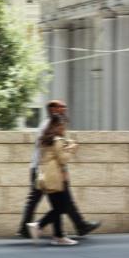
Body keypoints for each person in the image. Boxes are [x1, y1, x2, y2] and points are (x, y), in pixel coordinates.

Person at [18, 100, 100, 239]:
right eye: (61, 106)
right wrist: (70, 149)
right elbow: (57, 153)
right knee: (60, 202)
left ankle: (60, 231)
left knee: (56, 202)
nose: (64, 108)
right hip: (47, 170)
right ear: (53, 109)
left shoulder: (52, 124)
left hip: (45, 169)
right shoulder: (51, 126)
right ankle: (38, 228)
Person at [26, 115, 84, 246]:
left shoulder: (45, 140)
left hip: (45, 176)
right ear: (58, 126)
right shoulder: (57, 140)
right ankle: (39, 225)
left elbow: (52, 154)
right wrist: (72, 149)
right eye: (63, 126)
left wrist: (67, 145)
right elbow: (63, 159)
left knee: (57, 207)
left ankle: (59, 237)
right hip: (55, 177)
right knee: (62, 207)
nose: (64, 129)